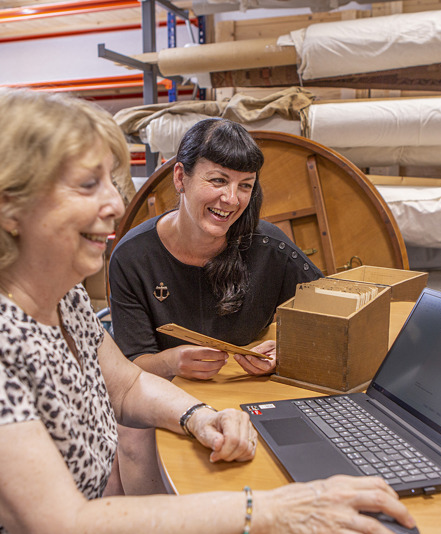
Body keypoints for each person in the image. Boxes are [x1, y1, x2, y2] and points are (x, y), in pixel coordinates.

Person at [0, 87, 415, 534]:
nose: (116, 203)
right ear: (4, 206)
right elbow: (60, 530)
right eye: (89, 185)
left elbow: (129, 383)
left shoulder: (57, 297)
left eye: (112, 181)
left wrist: (197, 415)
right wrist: (269, 512)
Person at [108, 118, 323, 494]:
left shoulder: (268, 245)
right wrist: (173, 361)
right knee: (131, 436)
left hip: (249, 391)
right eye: (218, 180)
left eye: (245, 186)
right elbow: (130, 369)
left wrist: (284, 350)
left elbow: (328, 314)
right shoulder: (132, 256)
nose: (232, 200)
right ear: (180, 178)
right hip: (167, 394)